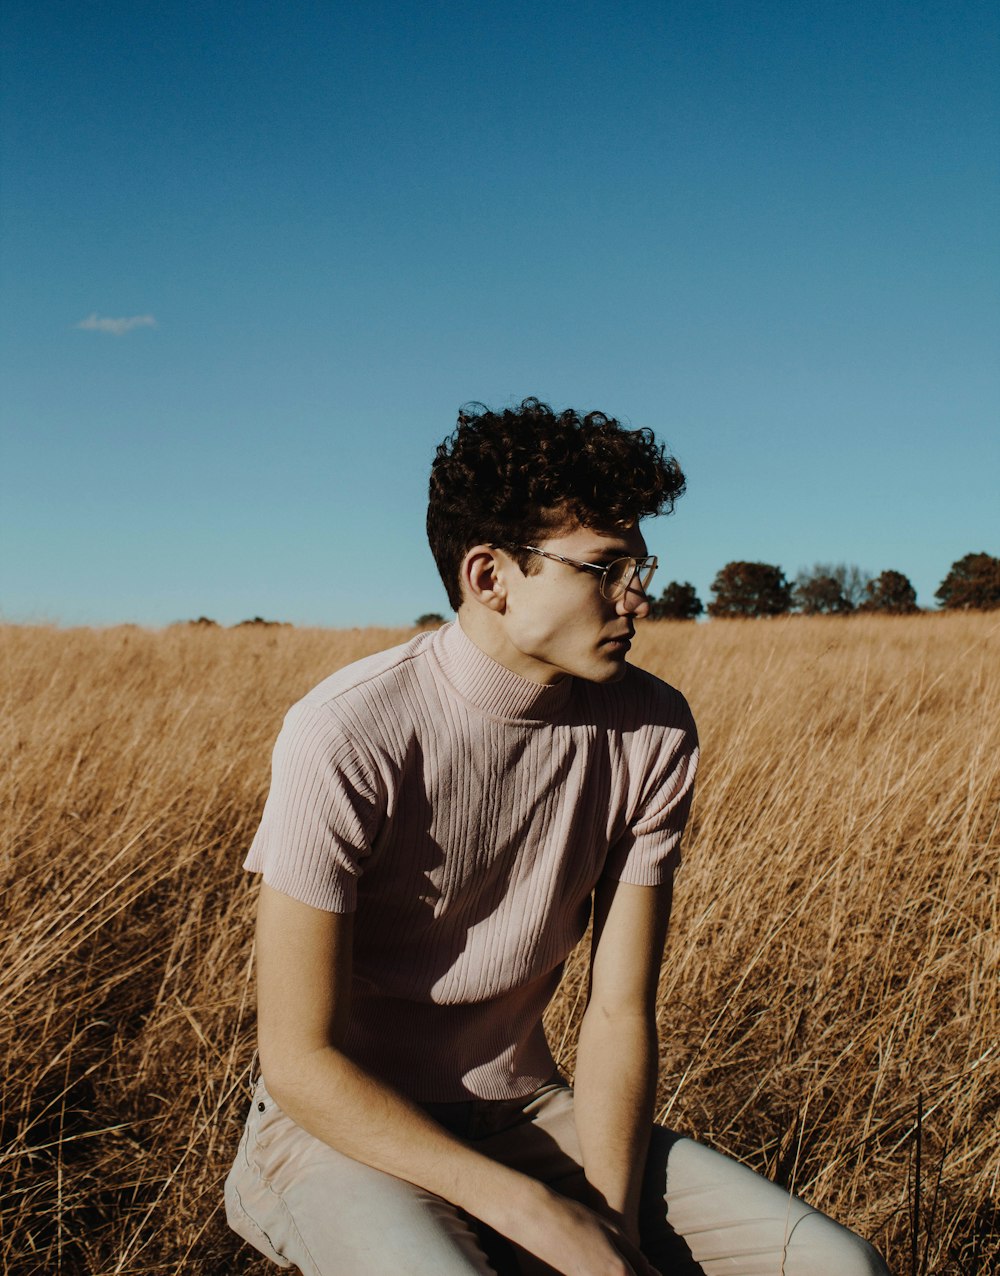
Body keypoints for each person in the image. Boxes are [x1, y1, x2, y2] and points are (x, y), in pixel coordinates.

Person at [225, 398, 889, 1275]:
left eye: (639, 563)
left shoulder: (654, 727)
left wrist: (608, 1231)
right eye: (605, 567)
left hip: (529, 1116)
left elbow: (619, 1011)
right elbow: (300, 1061)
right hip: (341, 1134)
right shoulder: (348, 732)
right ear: (489, 575)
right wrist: (534, 1214)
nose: (638, 595)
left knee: (839, 1267)